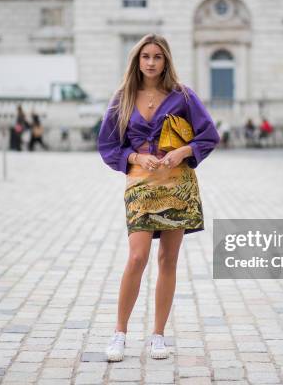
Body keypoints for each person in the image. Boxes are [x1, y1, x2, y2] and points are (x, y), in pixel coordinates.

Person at [97, 33, 219, 362]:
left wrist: (181, 152)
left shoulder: (183, 96)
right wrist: (136, 159)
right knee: (137, 258)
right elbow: (108, 146)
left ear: (166, 61)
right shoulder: (122, 97)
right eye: (146, 57)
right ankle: (119, 333)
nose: (151, 62)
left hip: (177, 184)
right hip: (140, 185)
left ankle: (158, 336)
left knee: (168, 260)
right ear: (137, 61)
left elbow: (209, 136)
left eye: (157, 57)